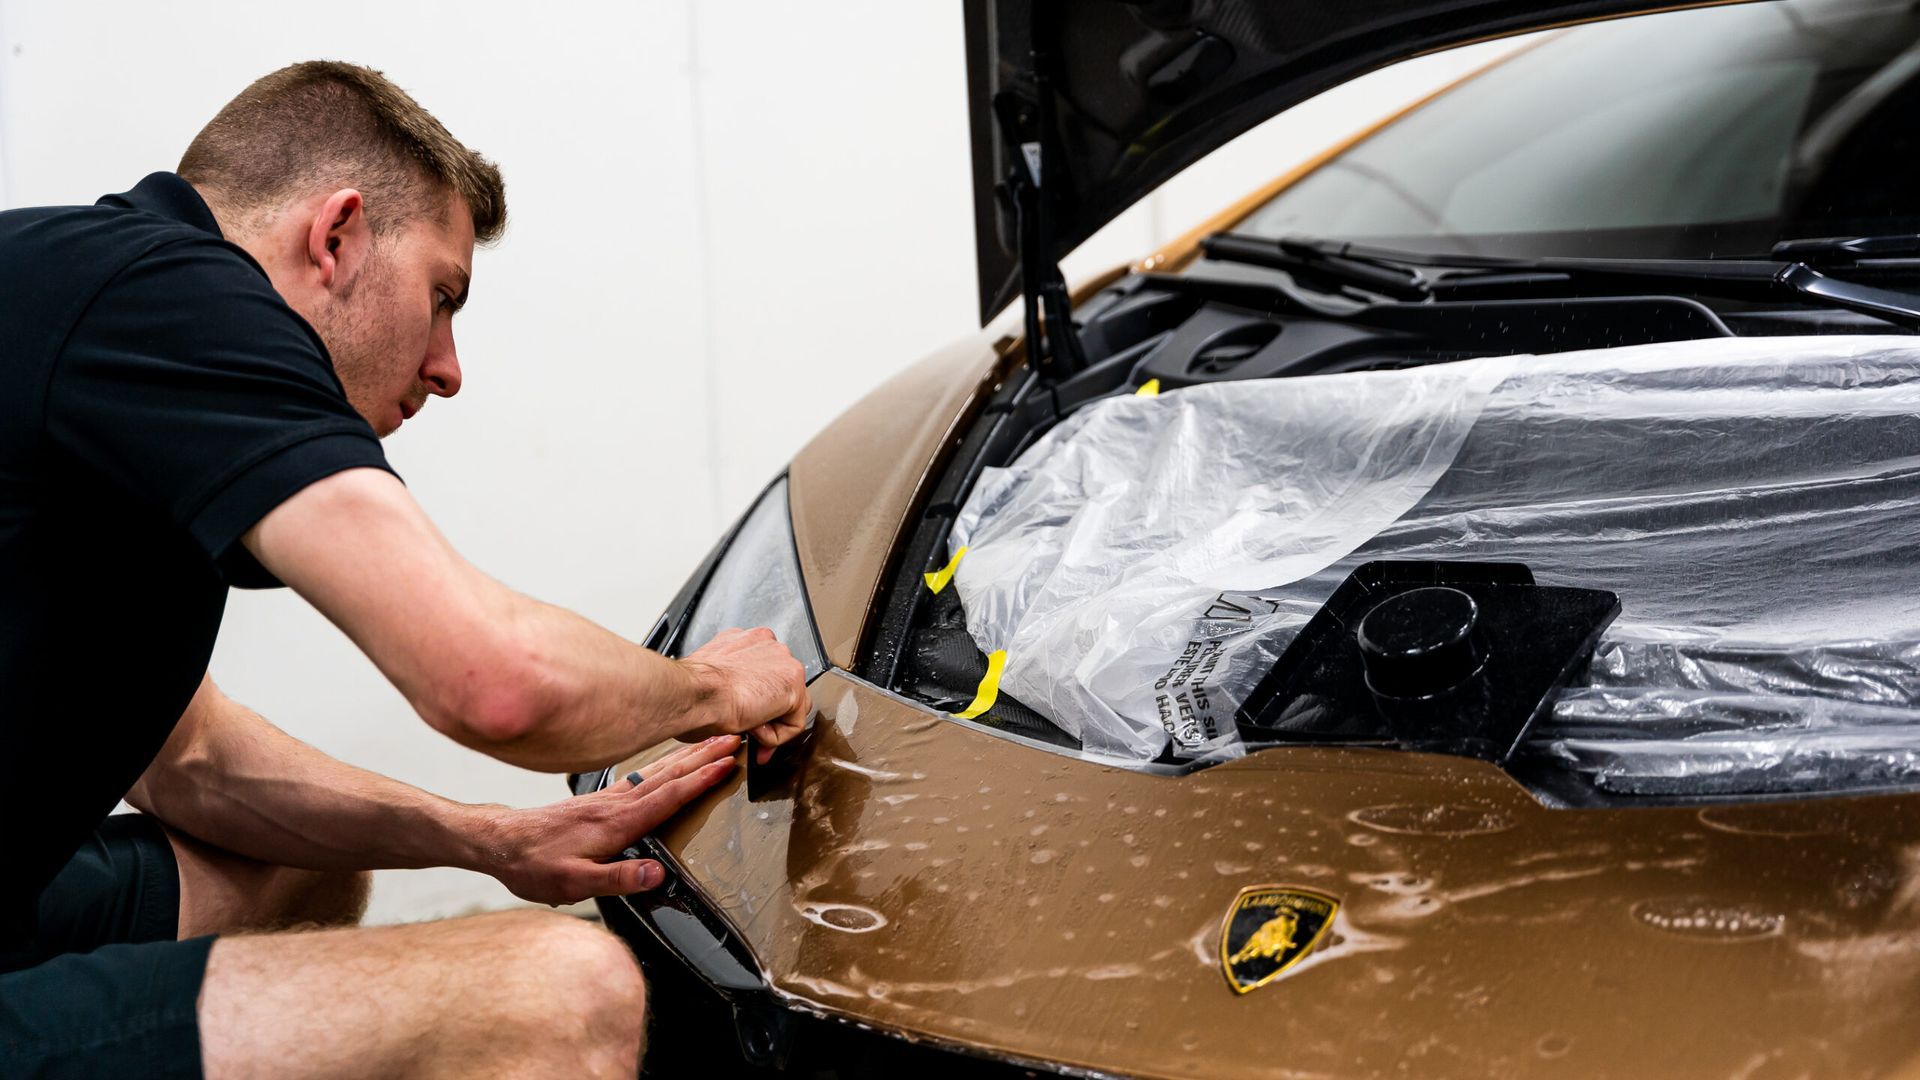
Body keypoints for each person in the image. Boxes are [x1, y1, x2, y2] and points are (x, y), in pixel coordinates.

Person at [0, 60, 810, 1078]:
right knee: (562, 992)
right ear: (334, 235)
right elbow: (494, 679)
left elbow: (193, 764)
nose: (449, 368)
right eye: (442, 297)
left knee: (298, 871)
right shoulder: (175, 296)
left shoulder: (88, 298)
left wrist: (489, 840)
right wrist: (710, 688)